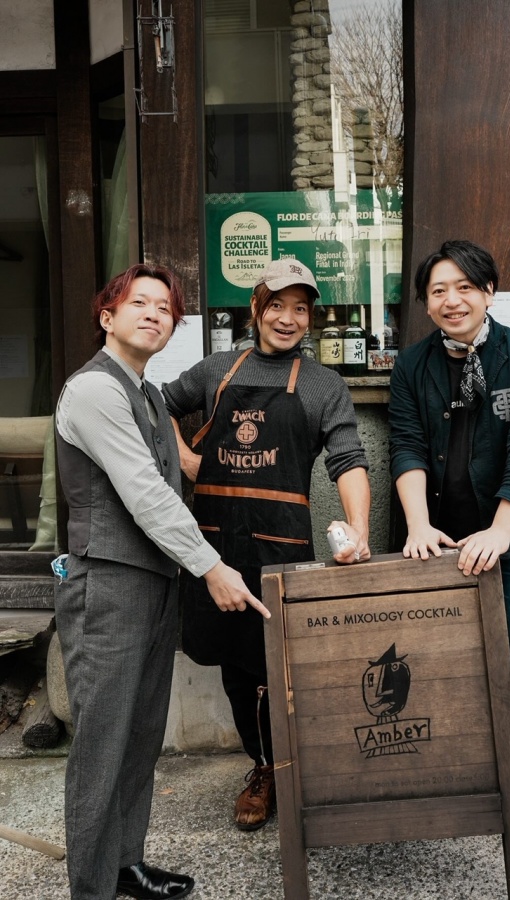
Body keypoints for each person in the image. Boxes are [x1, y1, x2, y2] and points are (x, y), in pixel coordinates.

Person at [54, 263, 269, 900]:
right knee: (102, 743)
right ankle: (91, 887)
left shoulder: (147, 394)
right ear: (106, 315)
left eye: (165, 308)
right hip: (106, 584)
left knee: (141, 734)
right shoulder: (94, 390)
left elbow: (179, 476)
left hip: (151, 583)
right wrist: (211, 565)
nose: (153, 314)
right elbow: (146, 493)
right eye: (138, 303)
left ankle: (126, 866)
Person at [163, 257, 371, 832]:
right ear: (256, 308)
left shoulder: (324, 384)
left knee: (281, 663)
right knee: (236, 665)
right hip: (216, 546)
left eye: (300, 309)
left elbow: (348, 458)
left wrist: (359, 529)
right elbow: (156, 402)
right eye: (276, 305)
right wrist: (185, 458)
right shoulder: (216, 370)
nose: (287, 318)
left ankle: (295, 765)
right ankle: (262, 767)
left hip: (281, 549)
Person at [388, 239, 510, 868]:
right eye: (438, 290)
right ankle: (452, 772)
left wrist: (500, 530)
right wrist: (417, 524)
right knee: (434, 659)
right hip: (439, 535)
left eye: (465, 286)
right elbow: (406, 445)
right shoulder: (412, 365)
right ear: (425, 302)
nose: (452, 300)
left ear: (488, 292)